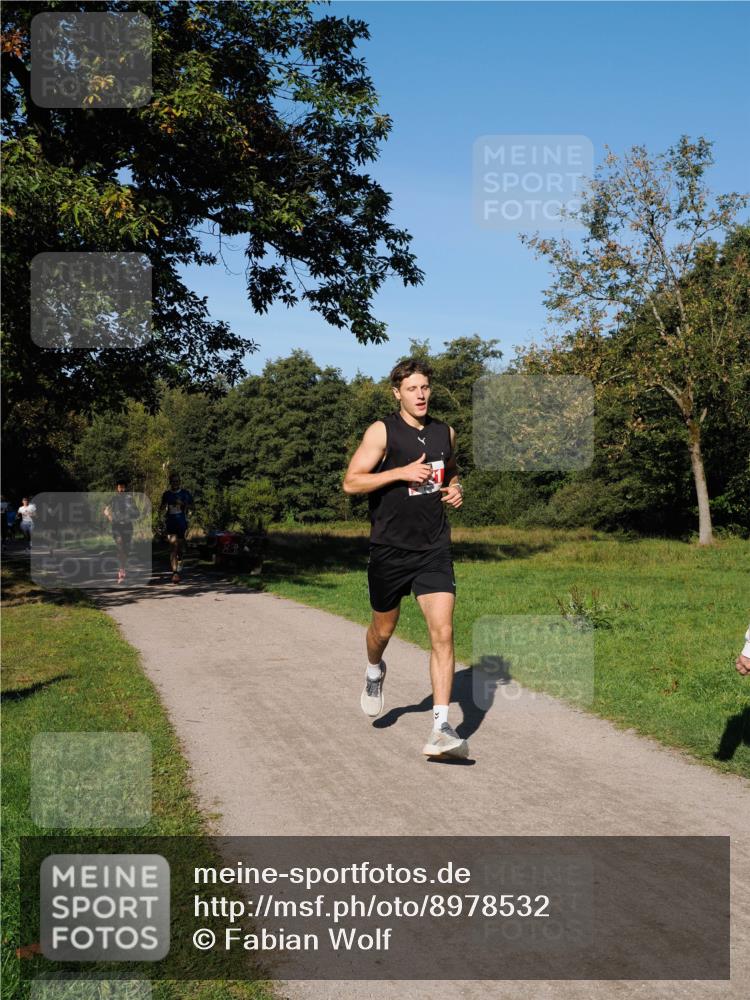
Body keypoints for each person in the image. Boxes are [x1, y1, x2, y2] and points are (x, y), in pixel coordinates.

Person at [343, 358, 468, 759]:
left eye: (425, 388)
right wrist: (398, 473)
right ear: (397, 392)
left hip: (433, 547)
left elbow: (448, 475)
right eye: (412, 388)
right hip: (390, 548)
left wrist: (455, 489)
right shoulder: (382, 431)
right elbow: (352, 482)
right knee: (383, 629)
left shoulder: (445, 432)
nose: (421, 395)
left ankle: (441, 728)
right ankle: (375, 670)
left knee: (443, 632)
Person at [103, 477, 140, 583]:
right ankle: (121, 570)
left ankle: (122, 567)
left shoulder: (130, 498)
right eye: (120, 487)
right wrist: (109, 516)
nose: (122, 489)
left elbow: (137, 513)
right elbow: (105, 509)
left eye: (123, 487)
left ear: (125, 488)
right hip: (116, 526)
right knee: (120, 545)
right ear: (117, 488)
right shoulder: (113, 498)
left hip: (127, 526)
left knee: (126, 549)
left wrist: (133, 514)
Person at [160, 471, 193, 584]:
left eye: (177, 481)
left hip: (182, 522)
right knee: (173, 546)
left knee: (180, 548)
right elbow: (162, 507)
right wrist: (164, 508)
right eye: (173, 481)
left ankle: (180, 557)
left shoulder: (185, 493)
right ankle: (175, 573)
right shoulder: (166, 494)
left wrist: (182, 504)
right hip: (171, 522)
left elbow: (192, 507)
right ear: (170, 482)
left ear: (180, 482)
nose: (175, 483)